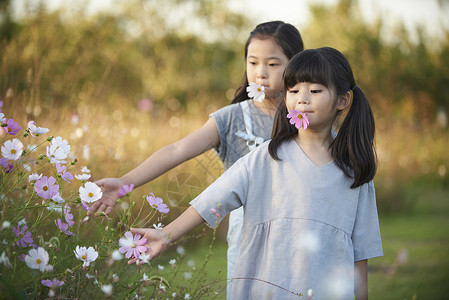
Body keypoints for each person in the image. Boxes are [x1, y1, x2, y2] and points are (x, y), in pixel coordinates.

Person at [129, 47, 383, 299]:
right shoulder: (266, 157)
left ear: (343, 100)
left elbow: (360, 252)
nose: (302, 99)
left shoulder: (356, 171)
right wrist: (166, 233)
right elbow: (214, 197)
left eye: (315, 91)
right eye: (293, 91)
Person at [89, 21, 304, 296]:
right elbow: (177, 150)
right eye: (252, 62)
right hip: (249, 232)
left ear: (295, 65)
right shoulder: (231, 118)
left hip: (301, 226)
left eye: (273, 64)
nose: (260, 73)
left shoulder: (308, 117)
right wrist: (124, 182)